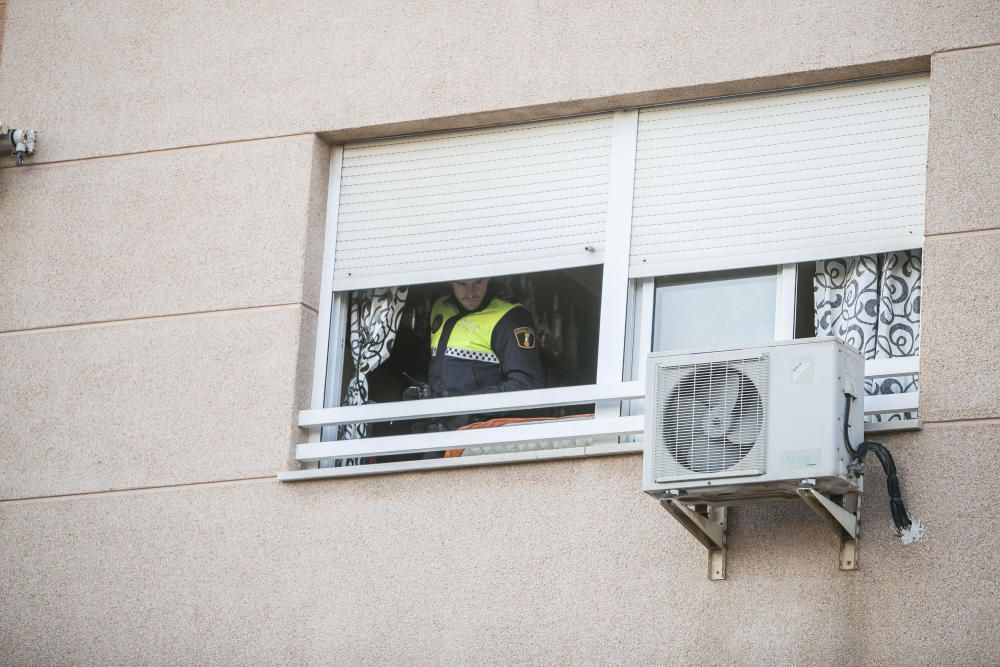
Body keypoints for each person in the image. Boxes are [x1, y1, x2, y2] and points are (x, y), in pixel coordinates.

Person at [427, 277, 544, 398]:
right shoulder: (440, 307)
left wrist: (467, 408)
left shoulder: (510, 317)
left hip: (482, 416)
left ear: (489, 278)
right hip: (438, 414)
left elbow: (526, 385)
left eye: (478, 282)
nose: (470, 294)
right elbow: (427, 363)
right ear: (450, 281)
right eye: (461, 284)